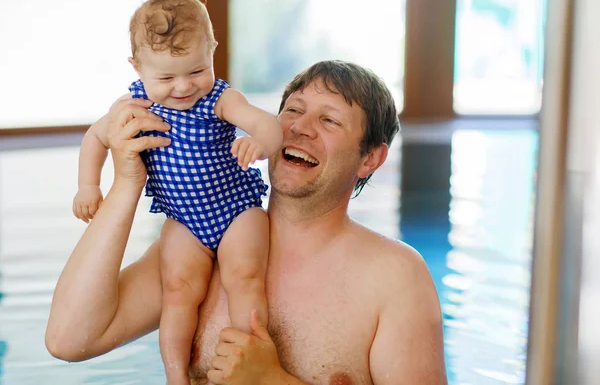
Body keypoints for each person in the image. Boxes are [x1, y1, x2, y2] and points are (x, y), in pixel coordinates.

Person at [47, 60, 447, 384]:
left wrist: (273, 380)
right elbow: (69, 339)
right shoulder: (205, 251)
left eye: (330, 121)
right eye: (293, 110)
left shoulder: (394, 277)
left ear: (369, 159)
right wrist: (127, 183)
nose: (300, 128)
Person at [69, 0, 282, 384]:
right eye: (166, 78)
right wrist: (88, 185)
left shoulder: (219, 98)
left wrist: (261, 144)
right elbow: (94, 138)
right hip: (183, 220)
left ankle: (249, 360)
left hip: (237, 210)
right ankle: (175, 375)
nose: (184, 87)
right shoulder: (134, 105)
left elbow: (267, 124)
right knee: (178, 291)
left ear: (212, 51)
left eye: (197, 70)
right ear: (136, 67)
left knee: (246, 275)